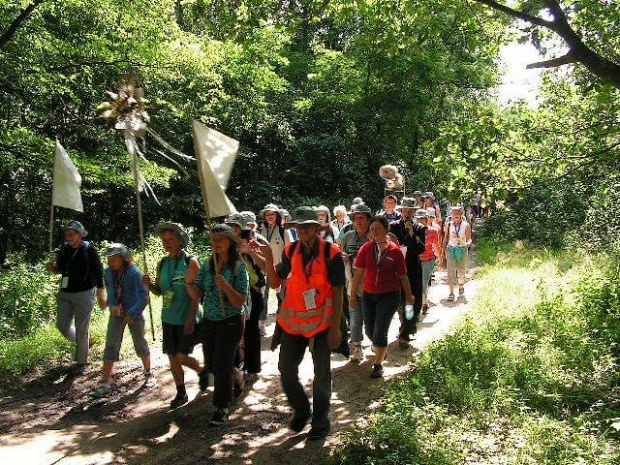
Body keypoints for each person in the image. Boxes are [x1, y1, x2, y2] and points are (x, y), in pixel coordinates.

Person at [259, 206, 345, 441]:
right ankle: (301, 409)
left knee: (321, 374)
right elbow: (276, 282)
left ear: (317, 228)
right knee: (285, 369)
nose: (303, 230)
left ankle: (320, 422)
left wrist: (336, 327)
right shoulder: (290, 250)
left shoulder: (332, 252)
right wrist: (267, 257)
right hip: (292, 323)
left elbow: (338, 291)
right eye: (299, 226)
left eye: (307, 225)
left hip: (323, 322)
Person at [187, 224, 249, 426]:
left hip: (231, 320)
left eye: (220, 239)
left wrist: (225, 286)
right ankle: (238, 376)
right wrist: (189, 284)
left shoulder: (239, 268)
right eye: (213, 240)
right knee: (213, 364)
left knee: (221, 364)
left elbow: (239, 301)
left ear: (230, 241)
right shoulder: (208, 265)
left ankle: (221, 407)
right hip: (210, 320)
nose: (216, 243)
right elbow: (198, 293)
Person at [144, 223, 204, 409]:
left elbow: (198, 293)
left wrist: (190, 319)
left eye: (170, 240)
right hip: (168, 318)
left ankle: (205, 372)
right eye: (164, 240)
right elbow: (160, 291)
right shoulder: (162, 263)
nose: (166, 243)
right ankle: (181, 393)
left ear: (181, 240)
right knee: (172, 357)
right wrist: (148, 285)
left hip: (188, 318)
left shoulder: (191, 262)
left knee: (180, 357)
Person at [349, 216, 414, 378]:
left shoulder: (395, 251)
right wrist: (352, 295)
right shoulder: (365, 249)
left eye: (378, 228)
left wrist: (409, 295)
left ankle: (378, 365)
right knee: (369, 329)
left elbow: (403, 276)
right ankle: (380, 348)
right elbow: (357, 274)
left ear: (386, 230)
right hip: (369, 295)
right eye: (372, 229)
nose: (374, 232)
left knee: (380, 330)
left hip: (389, 295)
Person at [92, 244, 153, 397]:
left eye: (115, 259)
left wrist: (132, 313)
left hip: (134, 313)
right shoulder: (108, 273)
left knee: (140, 342)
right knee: (111, 344)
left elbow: (143, 297)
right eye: (109, 259)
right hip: (116, 314)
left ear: (124, 259)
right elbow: (111, 291)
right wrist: (112, 305)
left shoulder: (134, 273)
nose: (111, 262)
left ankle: (148, 373)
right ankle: (104, 382)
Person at [46, 221, 106, 367]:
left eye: (71, 234)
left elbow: (98, 272)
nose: (68, 237)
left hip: (84, 293)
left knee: (81, 328)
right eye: (66, 235)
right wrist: (52, 268)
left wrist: (101, 294)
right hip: (65, 292)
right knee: (62, 326)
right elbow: (60, 269)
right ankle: (84, 342)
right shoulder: (65, 249)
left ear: (80, 235)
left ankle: (81, 362)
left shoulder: (89, 250)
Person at [225, 213, 266, 379]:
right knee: (232, 331)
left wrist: (250, 252)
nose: (232, 230)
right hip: (232, 292)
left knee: (250, 331)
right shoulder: (223, 244)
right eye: (229, 226)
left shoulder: (254, 241)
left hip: (253, 291)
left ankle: (252, 368)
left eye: (235, 227)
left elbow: (264, 267)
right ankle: (234, 368)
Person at [390, 199, 426, 341]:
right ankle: (405, 325)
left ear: (414, 212)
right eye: (405, 210)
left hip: (412, 270)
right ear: (401, 211)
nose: (407, 212)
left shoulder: (419, 228)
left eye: (410, 210)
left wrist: (411, 235)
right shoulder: (392, 227)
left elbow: (421, 249)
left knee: (411, 302)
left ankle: (406, 331)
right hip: (396, 270)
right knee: (399, 302)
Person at [340, 203, 372, 362]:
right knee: (354, 319)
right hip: (352, 286)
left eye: (362, 218)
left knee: (371, 319)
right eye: (356, 218)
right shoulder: (347, 237)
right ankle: (357, 347)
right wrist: (343, 258)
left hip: (372, 286)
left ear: (368, 219)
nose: (358, 221)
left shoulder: (374, 236)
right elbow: (339, 254)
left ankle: (376, 343)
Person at [258, 203, 293, 336]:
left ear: (277, 216)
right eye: (267, 214)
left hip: (281, 269)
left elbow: (290, 252)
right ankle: (261, 325)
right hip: (263, 269)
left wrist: (289, 270)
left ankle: (282, 326)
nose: (269, 216)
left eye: (272, 214)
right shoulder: (261, 231)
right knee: (263, 297)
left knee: (282, 297)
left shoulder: (284, 231)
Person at [443, 206, 472, 301]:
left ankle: (461, 285)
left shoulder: (466, 225)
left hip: (462, 250)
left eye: (457, 213)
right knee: (450, 272)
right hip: (451, 250)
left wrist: (467, 244)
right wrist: (443, 252)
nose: (455, 214)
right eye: (454, 213)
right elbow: (446, 238)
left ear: (461, 214)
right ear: (451, 215)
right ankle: (451, 293)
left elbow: (469, 239)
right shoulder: (448, 225)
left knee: (461, 271)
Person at [419, 210, 439, 315]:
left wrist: (441, 260)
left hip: (428, 261)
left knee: (423, 283)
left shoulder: (433, 232)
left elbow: (436, 246)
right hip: (415, 261)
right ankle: (424, 303)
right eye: (418, 219)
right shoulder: (410, 231)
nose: (420, 221)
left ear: (427, 220)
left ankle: (424, 304)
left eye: (422, 219)